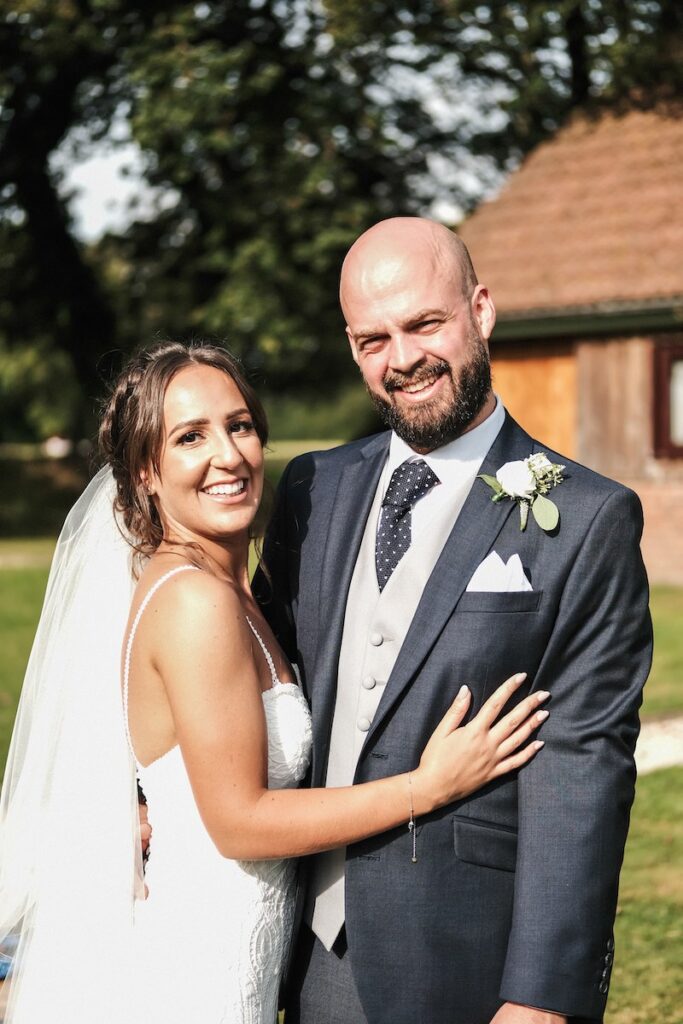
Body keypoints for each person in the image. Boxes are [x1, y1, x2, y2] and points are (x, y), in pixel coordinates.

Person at [0, 341, 548, 1024]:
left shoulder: (226, 590)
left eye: (239, 425)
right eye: (189, 437)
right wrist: (428, 787)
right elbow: (239, 822)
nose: (227, 455)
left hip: (241, 962)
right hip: (196, 974)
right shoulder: (194, 602)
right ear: (145, 470)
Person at [253, 218, 652, 1024]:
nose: (401, 359)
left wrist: (538, 997)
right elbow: (246, 674)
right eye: (372, 339)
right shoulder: (312, 488)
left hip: (465, 959)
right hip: (297, 951)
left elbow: (582, 769)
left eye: (424, 324)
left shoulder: (586, 517)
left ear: (480, 310)